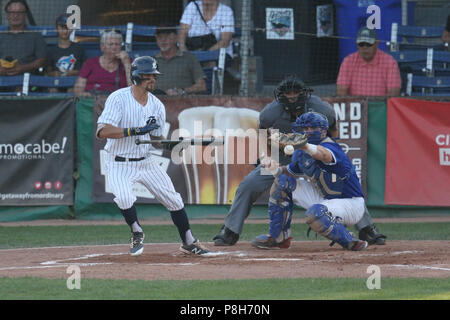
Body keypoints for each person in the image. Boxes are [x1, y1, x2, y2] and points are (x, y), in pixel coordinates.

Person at [212, 75, 386, 247]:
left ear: (304, 93)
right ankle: (231, 230)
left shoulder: (322, 108)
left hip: (316, 152)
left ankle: (367, 228)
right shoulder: (269, 113)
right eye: (288, 93)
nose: (292, 97)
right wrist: (268, 159)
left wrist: (325, 153)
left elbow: (333, 133)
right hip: (282, 155)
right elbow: (263, 136)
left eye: (296, 92)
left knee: (340, 183)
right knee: (249, 184)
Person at [96, 56, 210, 257]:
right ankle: (136, 230)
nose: (153, 80)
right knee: (123, 198)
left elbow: (156, 140)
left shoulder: (157, 105)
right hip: (118, 161)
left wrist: (172, 145)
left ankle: (189, 242)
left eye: (154, 76)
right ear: (136, 77)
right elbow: (102, 131)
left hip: (145, 162)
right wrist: (135, 131)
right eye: (148, 76)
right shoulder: (118, 98)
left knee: (174, 200)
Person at [252, 112, 369, 251]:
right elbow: (290, 172)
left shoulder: (331, 147)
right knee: (282, 181)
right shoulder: (301, 152)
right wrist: (274, 169)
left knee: (316, 214)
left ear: (323, 131)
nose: (307, 132)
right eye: (304, 129)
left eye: (312, 128)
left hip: (351, 204)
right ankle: (278, 237)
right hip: (324, 198)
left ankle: (350, 241)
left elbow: (323, 155)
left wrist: (304, 145)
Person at [336, 26, 401, 97]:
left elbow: (394, 92)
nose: (365, 47)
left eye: (369, 44)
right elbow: (341, 92)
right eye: (361, 44)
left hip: (381, 106)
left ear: (377, 44)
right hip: (356, 106)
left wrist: (374, 104)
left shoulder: (390, 62)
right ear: (357, 44)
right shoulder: (348, 62)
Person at [74, 29, 131, 97]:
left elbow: (135, 89)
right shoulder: (90, 63)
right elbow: (78, 90)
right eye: (110, 44)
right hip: (93, 101)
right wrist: (89, 96)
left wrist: (127, 64)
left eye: (117, 44)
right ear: (102, 47)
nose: (114, 47)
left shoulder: (128, 62)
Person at [153, 24, 206, 96]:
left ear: (176, 38)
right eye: (160, 37)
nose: (163, 40)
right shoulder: (151, 61)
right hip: (157, 102)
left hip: (182, 102)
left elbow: (202, 86)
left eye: (168, 36)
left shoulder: (189, 58)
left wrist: (182, 91)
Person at [0, 0, 46, 76]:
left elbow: (41, 60)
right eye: (12, 12)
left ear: (25, 15)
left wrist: (23, 68)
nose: (15, 16)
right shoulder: (1, 35)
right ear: (7, 15)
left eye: (20, 12)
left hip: (26, 79)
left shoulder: (36, 36)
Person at [46, 14, 86, 78]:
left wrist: (75, 73)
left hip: (73, 84)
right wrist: (54, 74)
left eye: (67, 27)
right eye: (62, 27)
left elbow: (85, 71)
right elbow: (48, 72)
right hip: (55, 83)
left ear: (72, 29)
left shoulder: (79, 49)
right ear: (56, 28)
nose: (65, 31)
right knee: (53, 89)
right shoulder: (51, 51)